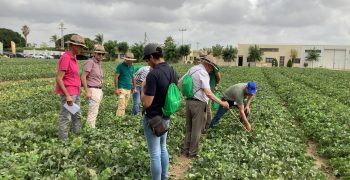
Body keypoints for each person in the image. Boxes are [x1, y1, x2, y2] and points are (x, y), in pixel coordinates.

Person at [178, 55, 229, 158]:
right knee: (197, 129)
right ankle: (192, 153)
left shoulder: (192, 69)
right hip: (199, 104)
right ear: (207, 64)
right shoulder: (203, 73)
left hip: (189, 102)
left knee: (189, 127)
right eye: (211, 67)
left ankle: (186, 149)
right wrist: (222, 103)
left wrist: (185, 94)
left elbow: (180, 82)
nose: (211, 70)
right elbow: (208, 93)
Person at [141, 43, 178, 179]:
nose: (147, 63)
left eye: (147, 60)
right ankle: (165, 177)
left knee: (155, 153)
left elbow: (146, 102)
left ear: (151, 57)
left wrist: (143, 88)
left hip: (153, 119)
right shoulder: (172, 71)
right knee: (163, 148)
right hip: (166, 116)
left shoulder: (153, 74)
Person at [55, 34, 86, 140]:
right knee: (66, 117)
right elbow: (59, 78)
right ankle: (63, 141)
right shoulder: (66, 57)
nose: (82, 49)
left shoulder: (74, 57)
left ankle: (77, 137)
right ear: (73, 45)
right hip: (69, 93)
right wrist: (67, 95)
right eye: (80, 46)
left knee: (77, 115)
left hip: (75, 92)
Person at [81, 44, 105, 128]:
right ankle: (89, 131)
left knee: (94, 111)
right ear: (94, 53)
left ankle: (90, 128)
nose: (101, 55)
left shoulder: (99, 63)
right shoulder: (90, 62)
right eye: (99, 53)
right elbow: (83, 76)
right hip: (92, 90)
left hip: (98, 90)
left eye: (102, 54)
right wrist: (87, 90)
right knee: (92, 112)